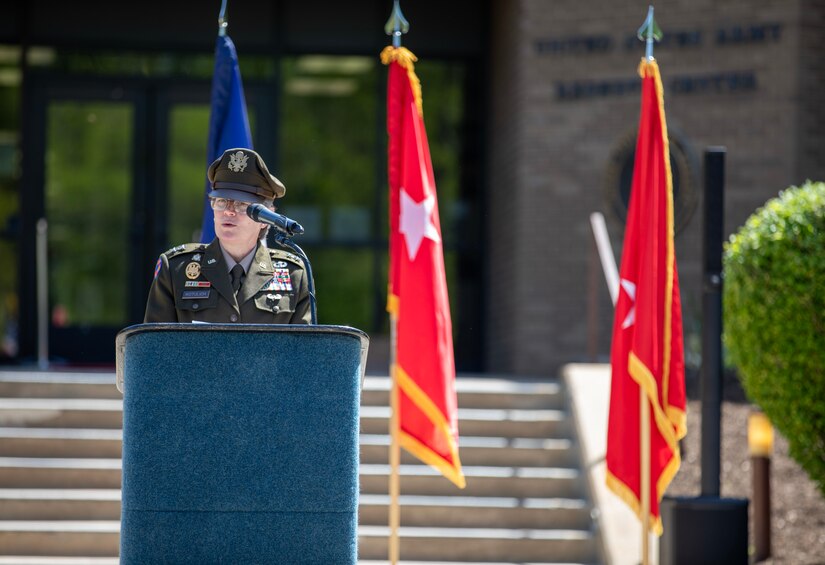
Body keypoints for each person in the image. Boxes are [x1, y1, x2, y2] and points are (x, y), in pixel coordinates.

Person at [144, 148, 311, 324]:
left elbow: (304, 349)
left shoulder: (294, 274)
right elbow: (154, 346)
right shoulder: (175, 270)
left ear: (265, 218)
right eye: (221, 201)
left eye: (241, 204)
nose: (228, 212)